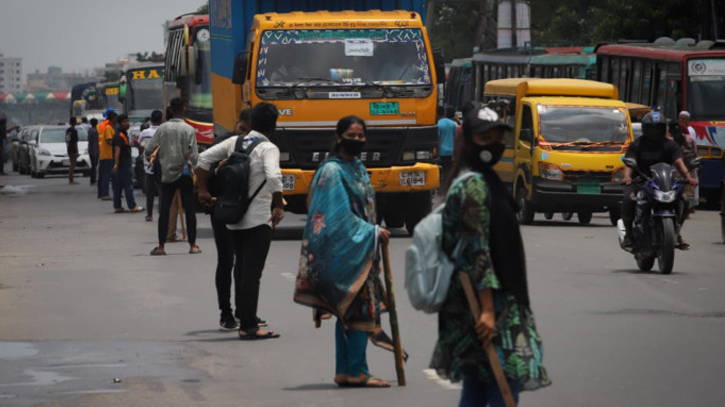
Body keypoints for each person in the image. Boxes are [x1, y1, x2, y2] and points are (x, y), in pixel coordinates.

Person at [433, 106, 550, 406]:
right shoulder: (473, 185)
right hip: (489, 303)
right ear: (470, 143)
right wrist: (487, 310)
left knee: (480, 380)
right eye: (484, 138)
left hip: (491, 298)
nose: (493, 144)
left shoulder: (486, 179)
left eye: (497, 137)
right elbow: (476, 249)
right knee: (504, 379)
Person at [293, 115, 393, 388]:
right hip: (347, 251)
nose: (358, 140)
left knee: (348, 310)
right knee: (358, 309)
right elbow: (336, 219)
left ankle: (345, 370)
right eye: (352, 135)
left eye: (362, 136)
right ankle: (357, 371)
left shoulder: (356, 167)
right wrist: (373, 232)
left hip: (361, 249)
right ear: (338, 137)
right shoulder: (332, 172)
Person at [196, 102, 284, 339]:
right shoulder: (268, 147)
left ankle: (245, 319)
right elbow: (274, 176)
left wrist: (202, 190)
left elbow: (202, 158)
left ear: (252, 123)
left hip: (233, 217)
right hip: (258, 219)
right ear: (273, 127)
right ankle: (248, 326)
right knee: (251, 274)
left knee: (242, 269)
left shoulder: (234, 142)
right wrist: (278, 203)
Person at [201, 109, 253, 330]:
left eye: (249, 131)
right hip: (222, 208)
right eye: (241, 129)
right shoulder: (223, 143)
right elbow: (202, 165)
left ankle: (245, 311)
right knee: (226, 260)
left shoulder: (258, 146)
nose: (244, 135)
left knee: (245, 264)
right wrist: (215, 173)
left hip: (248, 209)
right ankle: (226, 312)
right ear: (236, 123)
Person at [621, 112, 698, 249]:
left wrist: (688, 177)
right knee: (628, 198)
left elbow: (679, 162)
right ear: (645, 129)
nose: (655, 131)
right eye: (651, 128)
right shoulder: (637, 145)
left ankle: (676, 232)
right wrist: (627, 177)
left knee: (685, 199)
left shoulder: (670, 145)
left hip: (665, 182)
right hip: (642, 181)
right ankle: (628, 235)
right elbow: (630, 163)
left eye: (658, 128)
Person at [144, 97, 200, 255]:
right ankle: (193, 245)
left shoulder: (162, 129)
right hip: (185, 174)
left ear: (170, 110)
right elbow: (195, 157)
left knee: (165, 210)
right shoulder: (189, 129)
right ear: (183, 109)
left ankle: (161, 246)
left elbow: (148, 150)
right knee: (190, 210)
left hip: (167, 175)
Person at [668, 121, 699, 250]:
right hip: (672, 177)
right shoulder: (668, 142)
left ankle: (677, 231)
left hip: (688, 177)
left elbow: (695, 157)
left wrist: (692, 175)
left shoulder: (690, 141)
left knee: (686, 205)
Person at [112, 114, 143, 213]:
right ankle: (132, 206)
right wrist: (116, 164)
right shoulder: (119, 135)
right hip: (123, 164)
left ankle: (117, 207)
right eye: (125, 122)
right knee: (128, 186)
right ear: (120, 123)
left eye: (128, 121)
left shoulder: (123, 134)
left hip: (121, 164)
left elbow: (124, 146)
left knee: (118, 186)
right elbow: (117, 150)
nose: (127, 123)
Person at [138, 110, 163, 222]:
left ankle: (149, 215)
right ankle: (161, 211)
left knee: (150, 191)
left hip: (148, 165)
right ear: (161, 119)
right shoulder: (163, 131)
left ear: (151, 120)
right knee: (162, 189)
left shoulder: (144, 133)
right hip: (162, 164)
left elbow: (141, 146)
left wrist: (142, 157)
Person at [98, 108, 118, 201]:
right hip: (108, 155)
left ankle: (104, 193)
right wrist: (116, 145)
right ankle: (104, 194)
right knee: (106, 175)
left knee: (106, 175)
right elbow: (109, 140)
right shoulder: (108, 127)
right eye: (115, 118)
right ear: (112, 118)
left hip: (106, 155)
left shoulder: (109, 126)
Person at [438, 106, 458, 184]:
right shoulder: (453, 124)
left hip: (442, 152)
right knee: (449, 171)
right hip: (451, 152)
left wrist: (438, 154)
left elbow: (438, 139)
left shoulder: (438, 124)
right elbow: (456, 139)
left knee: (441, 172)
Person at [65, 117, 80, 184]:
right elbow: (75, 142)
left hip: (69, 148)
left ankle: (71, 178)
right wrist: (77, 151)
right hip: (73, 149)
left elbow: (67, 140)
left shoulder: (68, 130)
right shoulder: (74, 131)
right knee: (73, 164)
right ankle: (71, 179)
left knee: (72, 163)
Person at [87, 118, 99, 186]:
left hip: (91, 150)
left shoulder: (90, 130)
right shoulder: (94, 131)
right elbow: (94, 143)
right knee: (94, 165)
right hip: (94, 151)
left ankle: (93, 179)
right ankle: (93, 179)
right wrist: (95, 152)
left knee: (93, 165)